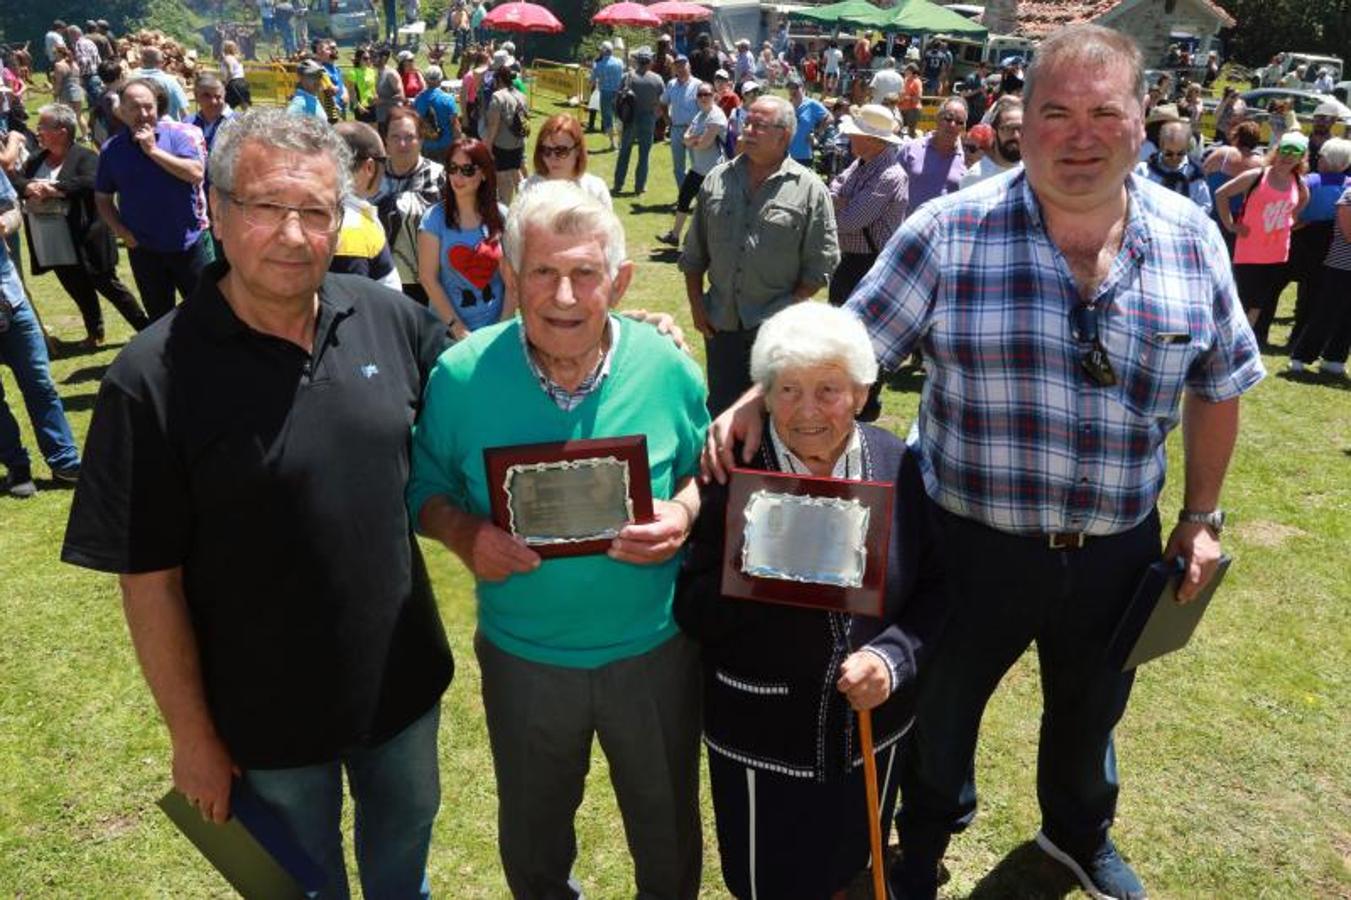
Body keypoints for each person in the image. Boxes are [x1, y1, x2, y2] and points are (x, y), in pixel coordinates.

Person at [705, 25, 1265, 900]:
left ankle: (1078, 835)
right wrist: (759, 390)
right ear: (1019, 121)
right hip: (965, 543)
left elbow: (1219, 381)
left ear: (1139, 120)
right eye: (1055, 113)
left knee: (1090, 713)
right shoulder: (947, 228)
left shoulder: (1192, 237)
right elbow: (854, 343)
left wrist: (1199, 517)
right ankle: (920, 848)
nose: (1078, 135)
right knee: (940, 717)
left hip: (1118, 544)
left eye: (1102, 112)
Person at [63, 108, 454, 895]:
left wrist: (618, 341)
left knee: (402, 869)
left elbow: (493, 389)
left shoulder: (386, 318)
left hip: (403, 688)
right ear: (216, 207)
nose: (295, 234)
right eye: (268, 207)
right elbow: (149, 580)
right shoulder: (151, 378)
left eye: (316, 211)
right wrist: (191, 735)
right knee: (303, 888)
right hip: (264, 722)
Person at [407, 180, 708, 900]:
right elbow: (422, 489)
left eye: (583, 273)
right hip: (525, 659)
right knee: (535, 841)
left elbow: (709, 471)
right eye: (542, 272)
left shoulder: (666, 365)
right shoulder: (461, 375)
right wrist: (465, 532)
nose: (564, 297)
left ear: (619, 280)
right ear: (511, 277)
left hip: (653, 653)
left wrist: (687, 513)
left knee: (667, 837)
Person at [676, 302, 947, 900]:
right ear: (764, 397)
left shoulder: (893, 462)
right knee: (765, 883)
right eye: (788, 389)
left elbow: (935, 588)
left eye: (828, 390)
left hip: (869, 734)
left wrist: (892, 660)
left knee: (852, 869)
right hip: (763, 741)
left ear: (859, 392)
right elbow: (690, 610)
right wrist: (761, 577)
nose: (806, 411)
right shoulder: (732, 472)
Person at [679, 95, 840, 416]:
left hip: (776, 331)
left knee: (773, 415)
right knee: (722, 411)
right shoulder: (717, 179)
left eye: (758, 125)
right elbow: (694, 253)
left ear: (784, 136)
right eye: (746, 123)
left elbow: (822, 262)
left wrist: (787, 308)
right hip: (720, 324)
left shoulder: (809, 190)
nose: (746, 130)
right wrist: (698, 306)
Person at [13, 104, 148, 348]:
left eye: (43, 126)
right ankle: (94, 332)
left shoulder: (86, 156)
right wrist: (28, 187)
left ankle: (145, 329)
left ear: (62, 131)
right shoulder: (36, 160)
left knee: (108, 285)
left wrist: (57, 189)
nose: (38, 130)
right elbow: (17, 180)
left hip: (86, 236)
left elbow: (91, 181)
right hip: (53, 240)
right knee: (76, 287)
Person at [95, 79, 209, 322]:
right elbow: (103, 197)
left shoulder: (178, 136)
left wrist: (153, 151)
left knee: (206, 313)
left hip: (187, 244)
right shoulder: (112, 150)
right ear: (122, 111)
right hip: (144, 250)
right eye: (135, 108)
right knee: (160, 318)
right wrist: (122, 232)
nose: (143, 114)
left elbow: (195, 173)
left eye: (149, 107)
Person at [0, 167, 82, 498]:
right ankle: (17, 466)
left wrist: (5, 224)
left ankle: (65, 463)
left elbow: (11, 207)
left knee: (40, 384)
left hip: (10, 299)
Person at [1215, 131, 1310, 345]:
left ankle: (1241, 341)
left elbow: (1302, 201)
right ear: (1276, 152)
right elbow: (1221, 194)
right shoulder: (1257, 176)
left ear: (1301, 157)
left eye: (1295, 152)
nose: (1288, 156)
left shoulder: (1298, 182)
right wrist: (1230, 224)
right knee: (1241, 298)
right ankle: (1226, 338)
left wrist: (1290, 220)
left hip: (1277, 251)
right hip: (1249, 249)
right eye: (1285, 150)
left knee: (1259, 302)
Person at [417, 138, 511, 338]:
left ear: (484, 174)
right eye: (453, 168)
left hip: (496, 331)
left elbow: (514, 281)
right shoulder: (433, 219)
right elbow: (428, 278)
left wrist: (501, 328)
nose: (458, 176)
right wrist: (458, 329)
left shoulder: (503, 216)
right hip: (449, 333)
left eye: (467, 170)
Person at [828, 103, 908, 307]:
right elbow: (834, 189)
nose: (850, 137)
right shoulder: (862, 162)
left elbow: (848, 221)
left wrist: (842, 202)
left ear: (872, 140)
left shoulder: (890, 176)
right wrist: (843, 201)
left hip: (868, 267)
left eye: (856, 133)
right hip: (850, 262)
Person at [376, 106, 446, 305]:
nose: (402, 144)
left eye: (409, 136)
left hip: (428, 281)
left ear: (421, 140)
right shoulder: (372, 175)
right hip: (381, 277)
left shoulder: (439, 177)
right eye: (395, 137)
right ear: (385, 141)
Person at [1289, 137, 1351, 360]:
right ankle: (1310, 351)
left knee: (1309, 294)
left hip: (1306, 238)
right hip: (1338, 253)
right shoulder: (1348, 187)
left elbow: (1295, 212)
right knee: (1326, 304)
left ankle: (1320, 351)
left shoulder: (1310, 181)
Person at [332, 121, 402, 289]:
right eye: (384, 161)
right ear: (370, 167)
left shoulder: (338, 215)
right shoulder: (351, 227)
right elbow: (353, 306)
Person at [658, 84, 726, 247]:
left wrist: (694, 140)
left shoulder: (716, 116)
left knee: (709, 209)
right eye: (700, 94)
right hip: (698, 168)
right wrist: (697, 139)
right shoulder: (701, 115)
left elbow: (704, 143)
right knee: (684, 198)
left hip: (714, 171)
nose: (703, 97)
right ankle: (674, 236)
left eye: (707, 94)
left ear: (714, 95)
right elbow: (685, 138)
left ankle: (711, 244)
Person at [519, 114, 611, 208]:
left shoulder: (596, 190)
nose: (553, 157)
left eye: (561, 151)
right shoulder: (529, 188)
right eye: (546, 150)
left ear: (578, 151)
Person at [898, 96, 968, 209]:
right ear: (938, 119)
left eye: (959, 122)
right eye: (948, 118)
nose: (952, 125)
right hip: (909, 224)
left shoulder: (968, 158)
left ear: (963, 127)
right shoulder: (910, 149)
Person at [613, 47, 665, 197]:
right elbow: (662, 102)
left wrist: (620, 116)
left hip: (629, 119)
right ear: (649, 62)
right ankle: (639, 186)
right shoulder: (657, 79)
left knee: (624, 152)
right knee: (644, 155)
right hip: (648, 119)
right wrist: (655, 116)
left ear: (638, 61)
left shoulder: (627, 76)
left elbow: (617, 98)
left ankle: (618, 184)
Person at [1137, 120, 1211, 213]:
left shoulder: (1195, 174)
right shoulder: (1143, 170)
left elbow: (1205, 205)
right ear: (1161, 146)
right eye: (1169, 153)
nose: (1174, 158)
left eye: (1180, 153)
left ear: (1187, 148)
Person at [483, 63, 528, 205]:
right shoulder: (521, 96)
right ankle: (524, 205)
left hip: (502, 146)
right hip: (518, 143)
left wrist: (488, 147)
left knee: (503, 179)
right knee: (516, 172)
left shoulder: (497, 97)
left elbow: (493, 126)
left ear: (498, 80)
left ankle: (505, 211)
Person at [960, 95, 1022, 187]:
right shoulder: (975, 179)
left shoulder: (1035, 173)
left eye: (1021, 129)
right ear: (994, 132)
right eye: (1008, 129)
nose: (1016, 135)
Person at [661, 54, 702, 189]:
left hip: (694, 130)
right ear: (674, 68)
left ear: (689, 66)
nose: (681, 68)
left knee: (697, 165)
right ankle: (683, 195)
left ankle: (699, 195)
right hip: (676, 129)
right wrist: (666, 118)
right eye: (678, 66)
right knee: (678, 166)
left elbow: (705, 107)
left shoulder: (698, 84)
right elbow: (663, 102)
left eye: (683, 65)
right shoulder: (671, 84)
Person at [413, 65, 460, 164]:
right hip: (446, 144)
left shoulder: (418, 99)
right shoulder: (448, 99)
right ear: (441, 79)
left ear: (425, 79)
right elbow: (455, 125)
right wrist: (459, 144)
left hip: (426, 145)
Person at [135, 46, 189, 121]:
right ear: (161, 63)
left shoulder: (130, 79)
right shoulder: (171, 81)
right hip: (167, 130)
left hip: (137, 129)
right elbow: (183, 112)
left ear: (141, 61)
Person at [786, 75, 830, 168]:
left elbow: (829, 118)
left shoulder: (811, 104)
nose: (792, 90)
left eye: (795, 87)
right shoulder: (787, 105)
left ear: (802, 87)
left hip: (803, 156)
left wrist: (817, 134)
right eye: (790, 87)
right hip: (786, 155)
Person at [591, 41, 624, 151]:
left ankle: (612, 143)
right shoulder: (619, 62)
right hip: (618, 92)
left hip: (605, 93)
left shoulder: (598, 64)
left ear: (603, 51)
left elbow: (592, 81)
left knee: (607, 118)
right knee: (618, 117)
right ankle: (620, 142)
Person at [190, 74, 234, 155]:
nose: (213, 101)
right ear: (196, 97)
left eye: (218, 96)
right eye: (206, 96)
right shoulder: (188, 123)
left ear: (224, 95)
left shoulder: (239, 123)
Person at [51, 47, 87, 142]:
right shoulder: (74, 63)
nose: (54, 55)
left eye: (54, 53)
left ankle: (72, 138)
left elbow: (58, 82)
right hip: (78, 90)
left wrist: (55, 93)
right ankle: (85, 136)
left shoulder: (58, 65)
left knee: (68, 117)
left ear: (60, 53)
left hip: (66, 92)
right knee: (79, 115)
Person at [375, 47, 406, 137]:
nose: (372, 59)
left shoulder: (391, 74)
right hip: (381, 119)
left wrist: (383, 101)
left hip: (392, 119)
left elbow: (401, 96)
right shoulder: (377, 73)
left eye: (375, 56)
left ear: (384, 58)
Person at [219, 40, 251, 110]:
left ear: (225, 48)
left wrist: (225, 83)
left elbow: (230, 71)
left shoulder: (227, 58)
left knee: (226, 108)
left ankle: (225, 120)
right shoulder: (237, 58)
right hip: (242, 82)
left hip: (233, 83)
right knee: (245, 108)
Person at [897, 63, 923, 138]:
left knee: (911, 132)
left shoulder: (917, 81)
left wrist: (906, 98)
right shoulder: (905, 80)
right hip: (902, 109)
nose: (905, 72)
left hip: (912, 110)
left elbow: (918, 97)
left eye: (906, 70)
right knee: (900, 130)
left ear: (911, 71)